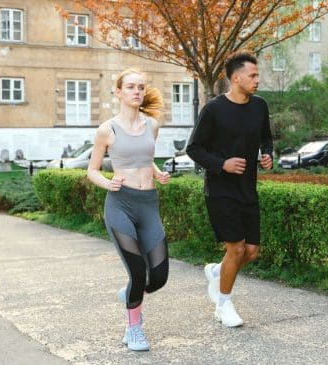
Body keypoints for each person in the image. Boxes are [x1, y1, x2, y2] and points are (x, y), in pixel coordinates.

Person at [185, 51, 273, 327]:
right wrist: (222, 164)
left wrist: (268, 153)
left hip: (248, 189)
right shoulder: (213, 109)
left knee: (252, 251)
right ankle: (223, 305)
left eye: (257, 75)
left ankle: (218, 271)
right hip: (221, 191)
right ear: (236, 78)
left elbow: (266, 138)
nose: (257, 80)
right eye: (253, 75)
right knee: (236, 249)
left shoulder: (260, 106)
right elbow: (194, 149)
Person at [86, 69, 170, 351]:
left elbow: (144, 155)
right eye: (131, 87)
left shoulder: (152, 126)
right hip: (121, 204)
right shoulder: (106, 130)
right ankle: (133, 329)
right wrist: (107, 183)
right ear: (119, 92)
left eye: (141, 87)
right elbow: (92, 170)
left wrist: (156, 171)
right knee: (137, 271)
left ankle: (130, 295)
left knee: (158, 277)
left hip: (148, 205)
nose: (137, 91)